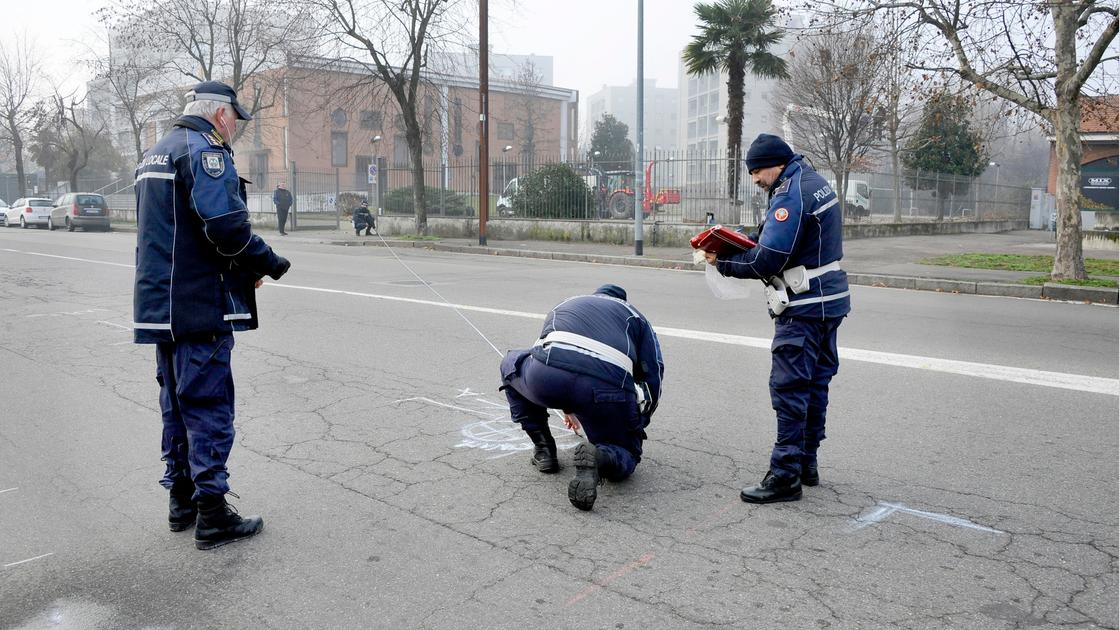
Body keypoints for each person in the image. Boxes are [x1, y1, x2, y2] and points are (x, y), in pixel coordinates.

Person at [133, 80, 291, 549]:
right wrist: (267, 262)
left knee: (176, 404)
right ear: (220, 114)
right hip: (199, 304)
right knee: (207, 406)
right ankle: (213, 513)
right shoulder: (205, 150)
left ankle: (181, 499)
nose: (236, 127)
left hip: (161, 305)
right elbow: (224, 225)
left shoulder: (156, 151)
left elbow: (177, 231)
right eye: (235, 119)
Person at [704, 133, 849, 504]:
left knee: (789, 390)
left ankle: (785, 475)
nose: (755, 179)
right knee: (816, 385)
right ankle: (806, 463)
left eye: (757, 171)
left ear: (775, 164)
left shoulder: (789, 193)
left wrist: (723, 262)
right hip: (829, 301)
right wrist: (740, 238)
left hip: (803, 306)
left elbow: (769, 258)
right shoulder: (811, 182)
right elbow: (779, 236)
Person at [499, 284, 663, 511]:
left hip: (547, 377)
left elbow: (555, 354)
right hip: (606, 387)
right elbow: (653, 375)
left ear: (596, 295)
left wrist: (567, 402)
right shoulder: (636, 317)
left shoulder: (568, 303)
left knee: (511, 363)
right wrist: (635, 424)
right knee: (626, 453)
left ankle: (544, 450)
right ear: (622, 300)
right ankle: (601, 457)